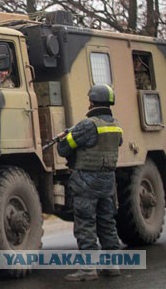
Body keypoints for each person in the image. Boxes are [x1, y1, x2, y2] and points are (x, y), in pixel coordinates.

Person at [58, 84, 123, 281]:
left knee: (85, 225)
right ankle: (112, 266)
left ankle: (88, 269)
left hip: (86, 183)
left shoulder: (87, 125)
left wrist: (66, 136)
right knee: (107, 223)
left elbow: (63, 149)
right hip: (107, 183)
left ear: (92, 102)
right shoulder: (116, 125)